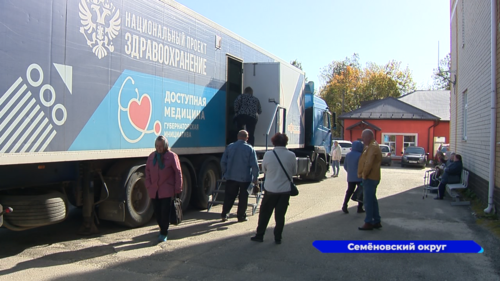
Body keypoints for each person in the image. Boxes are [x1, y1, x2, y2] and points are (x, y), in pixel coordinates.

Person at [251, 133, 297, 244]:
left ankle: (260, 235)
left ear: (273, 142)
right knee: (280, 215)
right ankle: (278, 237)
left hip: (270, 189)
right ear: (286, 142)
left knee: (265, 214)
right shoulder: (291, 155)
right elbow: (294, 172)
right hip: (285, 190)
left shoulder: (268, 154)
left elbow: (265, 170)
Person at [145, 136, 183, 243]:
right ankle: (161, 228)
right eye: (157, 146)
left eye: (161, 146)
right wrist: (148, 184)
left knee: (164, 212)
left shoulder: (172, 156)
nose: (158, 148)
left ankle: (164, 232)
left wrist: (178, 188)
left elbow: (178, 172)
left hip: (166, 190)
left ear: (165, 146)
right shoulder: (152, 157)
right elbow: (147, 171)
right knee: (157, 212)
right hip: (154, 190)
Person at [220, 130, 259, 222]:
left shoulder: (230, 147)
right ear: (247, 138)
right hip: (245, 178)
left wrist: (225, 172)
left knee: (229, 196)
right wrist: (255, 178)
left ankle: (225, 214)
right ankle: (241, 216)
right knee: (243, 198)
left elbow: (223, 162)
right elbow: (254, 165)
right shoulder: (250, 149)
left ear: (237, 137)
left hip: (231, 177)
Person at [357, 129, 382, 231]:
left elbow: (368, 163)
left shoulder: (372, 147)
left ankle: (368, 222)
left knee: (367, 201)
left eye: (364, 137)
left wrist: (364, 175)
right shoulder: (372, 146)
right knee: (372, 200)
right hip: (372, 177)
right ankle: (376, 220)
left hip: (370, 177)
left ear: (369, 137)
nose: (363, 140)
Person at [341, 140, 364, 214]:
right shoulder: (361, 155)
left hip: (350, 177)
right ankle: (359, 208)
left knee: (349, 191)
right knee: (361, 191)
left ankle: (345, 205)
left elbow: (345, 166)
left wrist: (350, 172)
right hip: (359, 177)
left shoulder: (348, 155)